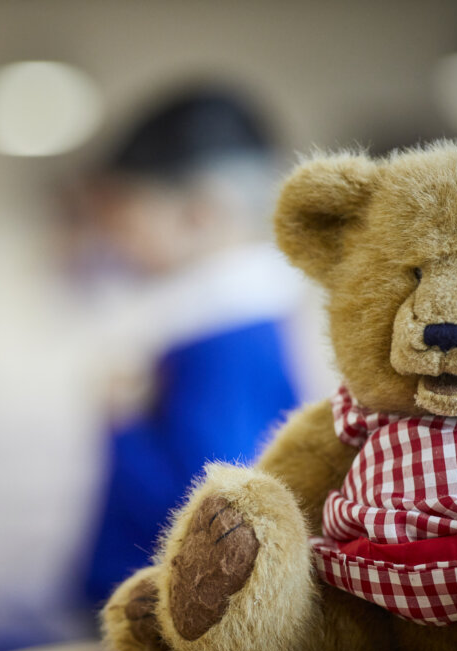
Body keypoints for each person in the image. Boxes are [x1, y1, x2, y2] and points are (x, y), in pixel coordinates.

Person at [76, 88, 335, 605]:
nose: (116, 242)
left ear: (202, 212)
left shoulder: (223, 336)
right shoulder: (241, 321)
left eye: (126, 219)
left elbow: (211, 514)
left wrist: (123, 425)